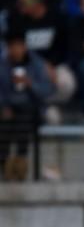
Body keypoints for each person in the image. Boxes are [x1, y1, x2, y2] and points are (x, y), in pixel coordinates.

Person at [0, 28, 55, 180]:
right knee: (5, 123)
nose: (15, 50)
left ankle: (20, 162)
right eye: (12, 46)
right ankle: (5, 163)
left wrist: (30, 84)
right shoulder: (2, 65)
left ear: (24, 46)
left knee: (24, 120)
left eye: (18, 46)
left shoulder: (37, 64)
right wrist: (3, 105)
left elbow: (47, 90)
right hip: (8, 108)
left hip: (31, 108)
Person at [8, 0, 75, 110]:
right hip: (26, 65)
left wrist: (50, 65)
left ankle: (47, 105)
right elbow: (14, 48)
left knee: (66, 83)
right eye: (19, 1)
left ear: (37, 1)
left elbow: (65, 48)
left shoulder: (57, 18)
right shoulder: (17, 20)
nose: (19, 4)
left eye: (24, 1)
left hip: (54, 64)